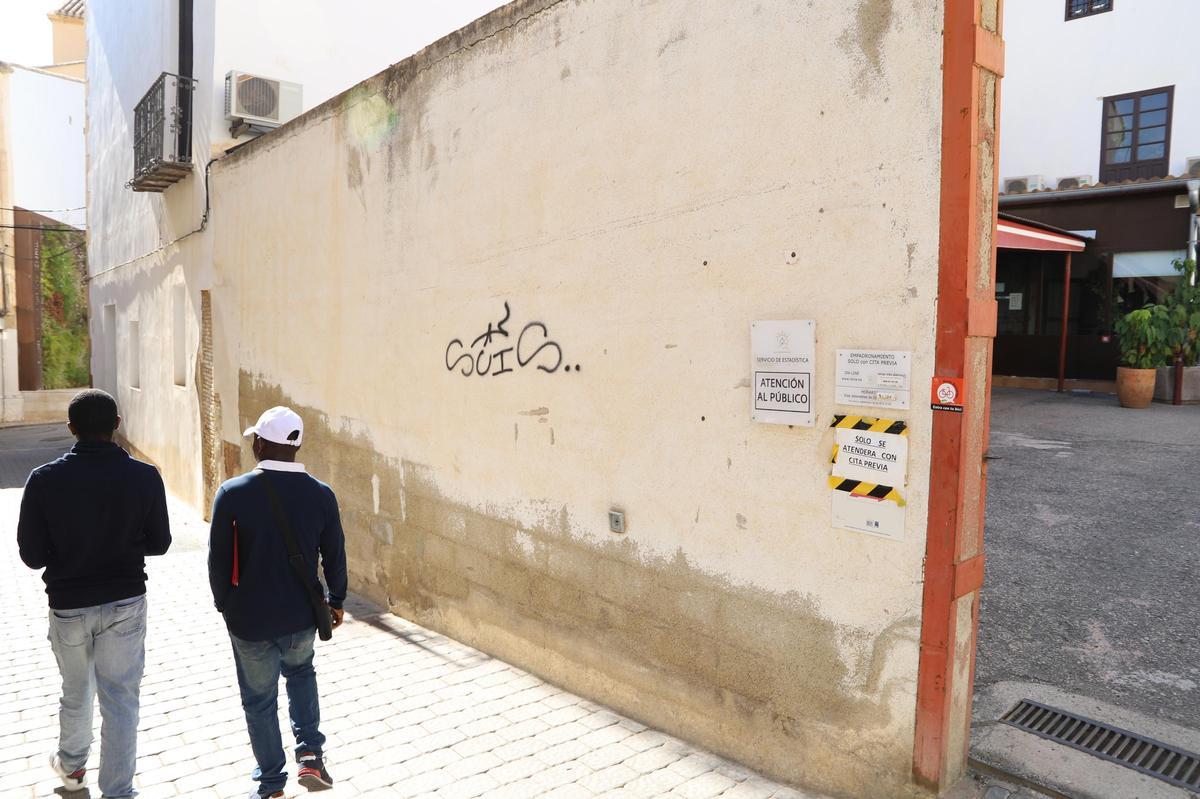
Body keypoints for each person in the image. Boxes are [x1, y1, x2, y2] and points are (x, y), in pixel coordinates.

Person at [17, 389, 172, 798]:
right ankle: (118, 791)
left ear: (71, 429)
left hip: (68, 605)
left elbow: (32, 557)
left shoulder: (43, 480)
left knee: (76, 688)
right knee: (120, 697)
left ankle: (71, 767)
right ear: (117, 425)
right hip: (125, 601)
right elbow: (160, 543)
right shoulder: (144, 476)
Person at [208, 406, 347, 798]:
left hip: (250, 621)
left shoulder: (233, 493)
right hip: (302, 616)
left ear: (260, 443)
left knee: (259, 701)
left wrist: (226, 607)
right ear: (297, 445)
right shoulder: (321, 494)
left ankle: (271, 785)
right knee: (301, 675)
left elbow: (217, 561)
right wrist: (336, 599)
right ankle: (310, 756)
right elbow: (335, 554)